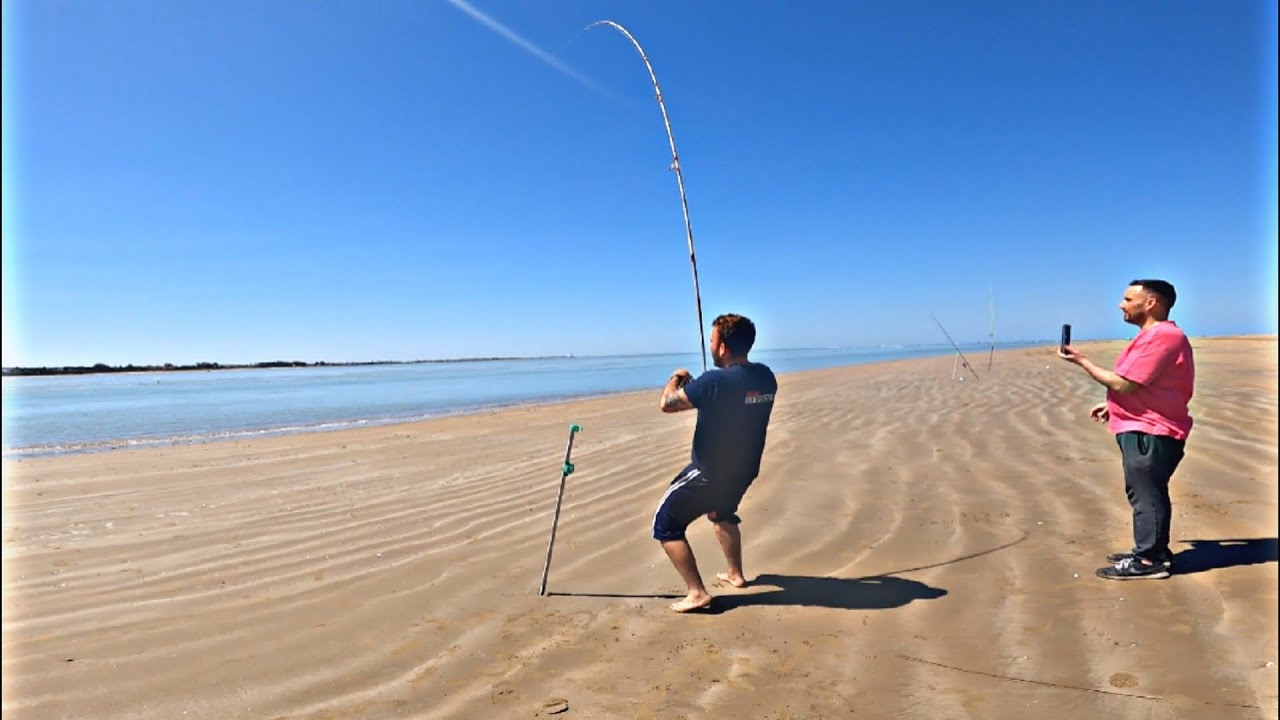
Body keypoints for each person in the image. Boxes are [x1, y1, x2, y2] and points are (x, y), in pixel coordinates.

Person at [1058, 279, 1195, 580]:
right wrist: (1113, 406)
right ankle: (1153, 550)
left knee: (1146, 493)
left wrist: (1081, 361)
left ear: (1151, 303)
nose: (1121, 304)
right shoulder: (1153, 336)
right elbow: (1148, 384)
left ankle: (1149, 561)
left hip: (1152, 430)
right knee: (1145, 490)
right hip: (1144, 424)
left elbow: (1124, 383)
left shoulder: (1163, 337)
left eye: (1127, 299)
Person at [653, 313, 777, 612]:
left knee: (665, 524)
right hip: (745, 469)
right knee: (722, 513)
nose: (710, 345)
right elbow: (732, 401)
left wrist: (677, 377)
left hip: (709, 472)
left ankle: (697, 593)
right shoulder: (765, 376)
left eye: (712, 340)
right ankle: (735, 574)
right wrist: (704, 390)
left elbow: (667, 404)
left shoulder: (715, 381)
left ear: (721, 347)